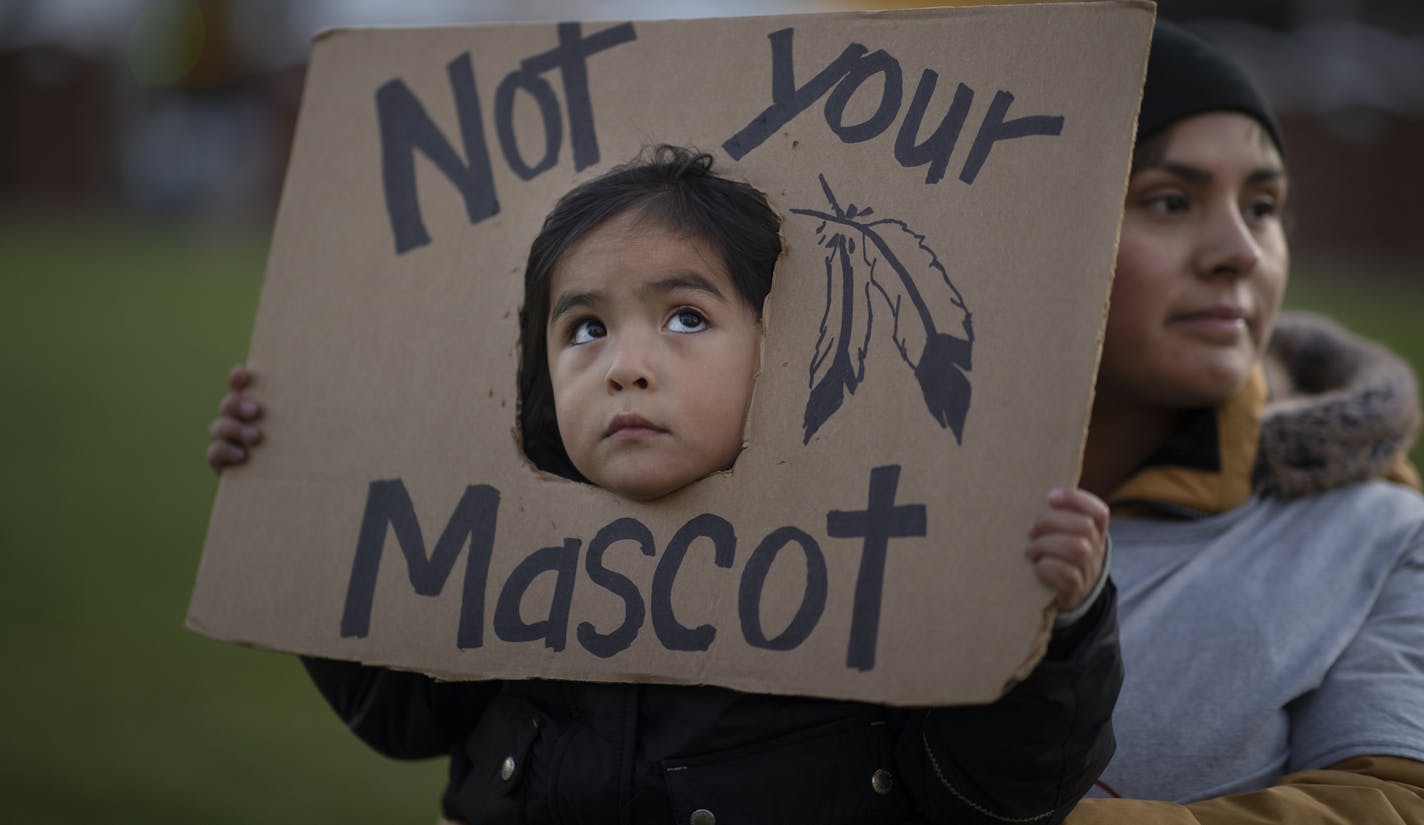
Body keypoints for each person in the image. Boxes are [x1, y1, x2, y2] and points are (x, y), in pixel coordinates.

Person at [208, 145, 1121, 825]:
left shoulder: (880, 577)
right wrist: (301, 487)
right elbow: (397, 712)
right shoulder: (497, 555)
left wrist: (1057, 630)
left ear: (783, 350)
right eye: (585, 328)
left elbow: (1006, 790)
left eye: (686, 316)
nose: (625, 366)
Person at [1062, 22, 1424, 823]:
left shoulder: (1375, 532)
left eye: (1263, 207)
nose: (1240, 251)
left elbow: (1395, 803)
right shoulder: (856, 490)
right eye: (1169, 199)